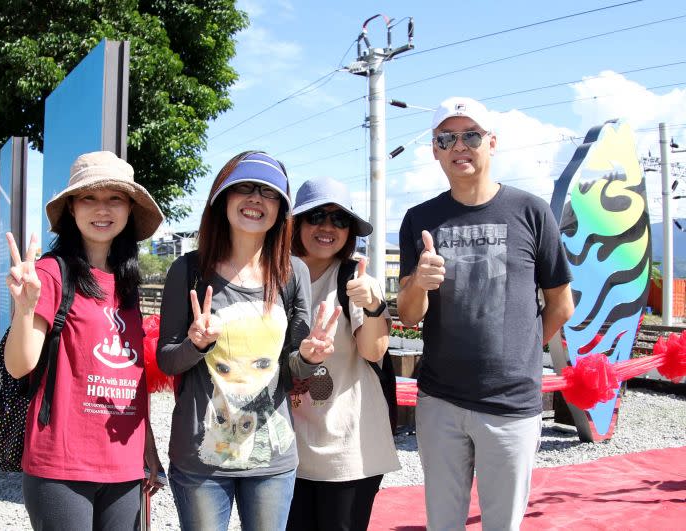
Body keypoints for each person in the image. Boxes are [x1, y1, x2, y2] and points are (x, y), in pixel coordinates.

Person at [396, 97, 575, 531]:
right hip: (439, 400)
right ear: (436, 150)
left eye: (471, 135)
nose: (460, 145)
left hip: (511, 402)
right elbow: (408, 315)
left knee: (502, 525)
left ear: (492, 143)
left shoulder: (531, 212)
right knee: (443, 523)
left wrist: (519, 351)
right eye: (446, 138)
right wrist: (419, 281)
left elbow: (560, 304)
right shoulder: (420, 219)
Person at [157, 151, 341, 531]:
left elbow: (292, 373)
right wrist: (196, 344)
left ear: (280, 210)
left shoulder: (293, 273)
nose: (255, 198)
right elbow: (167, 361)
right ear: (222, 198)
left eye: (268, 193)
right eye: (243, 188)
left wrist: (308, 356)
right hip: (199, 459)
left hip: (272, 459)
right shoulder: (188, 270)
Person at [4, 150, 166, 530]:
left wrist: (148, 445)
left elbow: (131, 375)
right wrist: (25, 310)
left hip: (125, 465)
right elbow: (19, 365)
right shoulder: (50, 273)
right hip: (61, 463)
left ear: (129, 210)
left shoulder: (127, 285)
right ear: (72, 209)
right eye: (89, 197)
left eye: (115, 198)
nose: (102, 208)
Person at [286, 177, 400, 531]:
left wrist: (374, 304)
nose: (327, 227)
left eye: (340, 220)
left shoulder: (355, 278)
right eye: (316, 215)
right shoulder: (275, 274)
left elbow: (374, 350)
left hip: (348, 445)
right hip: (283, 445)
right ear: (295, 223)